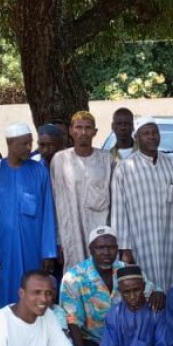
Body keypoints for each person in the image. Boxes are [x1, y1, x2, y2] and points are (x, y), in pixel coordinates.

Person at [112, 117, 173, 295]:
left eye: (154, 132)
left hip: (170, 240)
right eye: (146, 133)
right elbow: (119, 211)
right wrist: (125, 249)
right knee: (144, 290)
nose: (151, 137)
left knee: (172, 288)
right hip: (140, 243)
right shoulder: (124, 169)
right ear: (137, 138)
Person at [60, 226, 163, 346]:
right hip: (93, 342)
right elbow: (72, 322)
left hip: (128, 339)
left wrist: (158, 293)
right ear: (90, 250)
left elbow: (149, 288)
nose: (106, 252)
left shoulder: (126, 270)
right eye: (100, 248)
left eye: (111, 247)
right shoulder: (74, 278)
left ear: (117, 248)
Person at [0, 123, 57, 313]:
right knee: (3, 296)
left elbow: (48, 212)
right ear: (9, 143)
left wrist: (48, 253)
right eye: (24, 144)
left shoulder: (39, 171)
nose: (29, 148)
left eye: (30, 143)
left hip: (33, 249)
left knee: (33, 293)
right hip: (2, 250)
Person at [50, 111, 114, 268]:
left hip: (100, 232)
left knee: (103, 273)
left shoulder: (106, 159)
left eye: (88, 128)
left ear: (95, 132)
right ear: (71, 131)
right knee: (75, 275)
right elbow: (55, 201)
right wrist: (58, 240)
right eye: (79, 127)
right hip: (71, 234)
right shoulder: (60, 160)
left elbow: (115, 200)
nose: (83, 132)